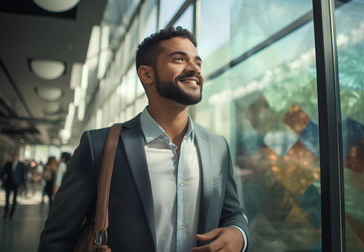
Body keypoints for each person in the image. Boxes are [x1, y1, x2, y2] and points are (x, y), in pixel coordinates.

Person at [38, 26, 249, 252]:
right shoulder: (98, 146)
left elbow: (233, 213)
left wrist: (239, 235)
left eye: (198, 63)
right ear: (146, 74)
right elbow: (57, 238)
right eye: (179, 59)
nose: (194, 69)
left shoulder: (217, 147)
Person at [1, 154, 25, 219]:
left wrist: (22, 184)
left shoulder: (21, 165)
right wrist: (3, 180)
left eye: (16, 156)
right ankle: (6, 212)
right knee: (7, 198)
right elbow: (3, 172)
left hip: (16, 184)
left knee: (14, 199)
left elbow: (23, 174)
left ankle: (11, 214)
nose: (14, 158)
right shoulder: (8, 164)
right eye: (13, 156)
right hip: (8, 183)